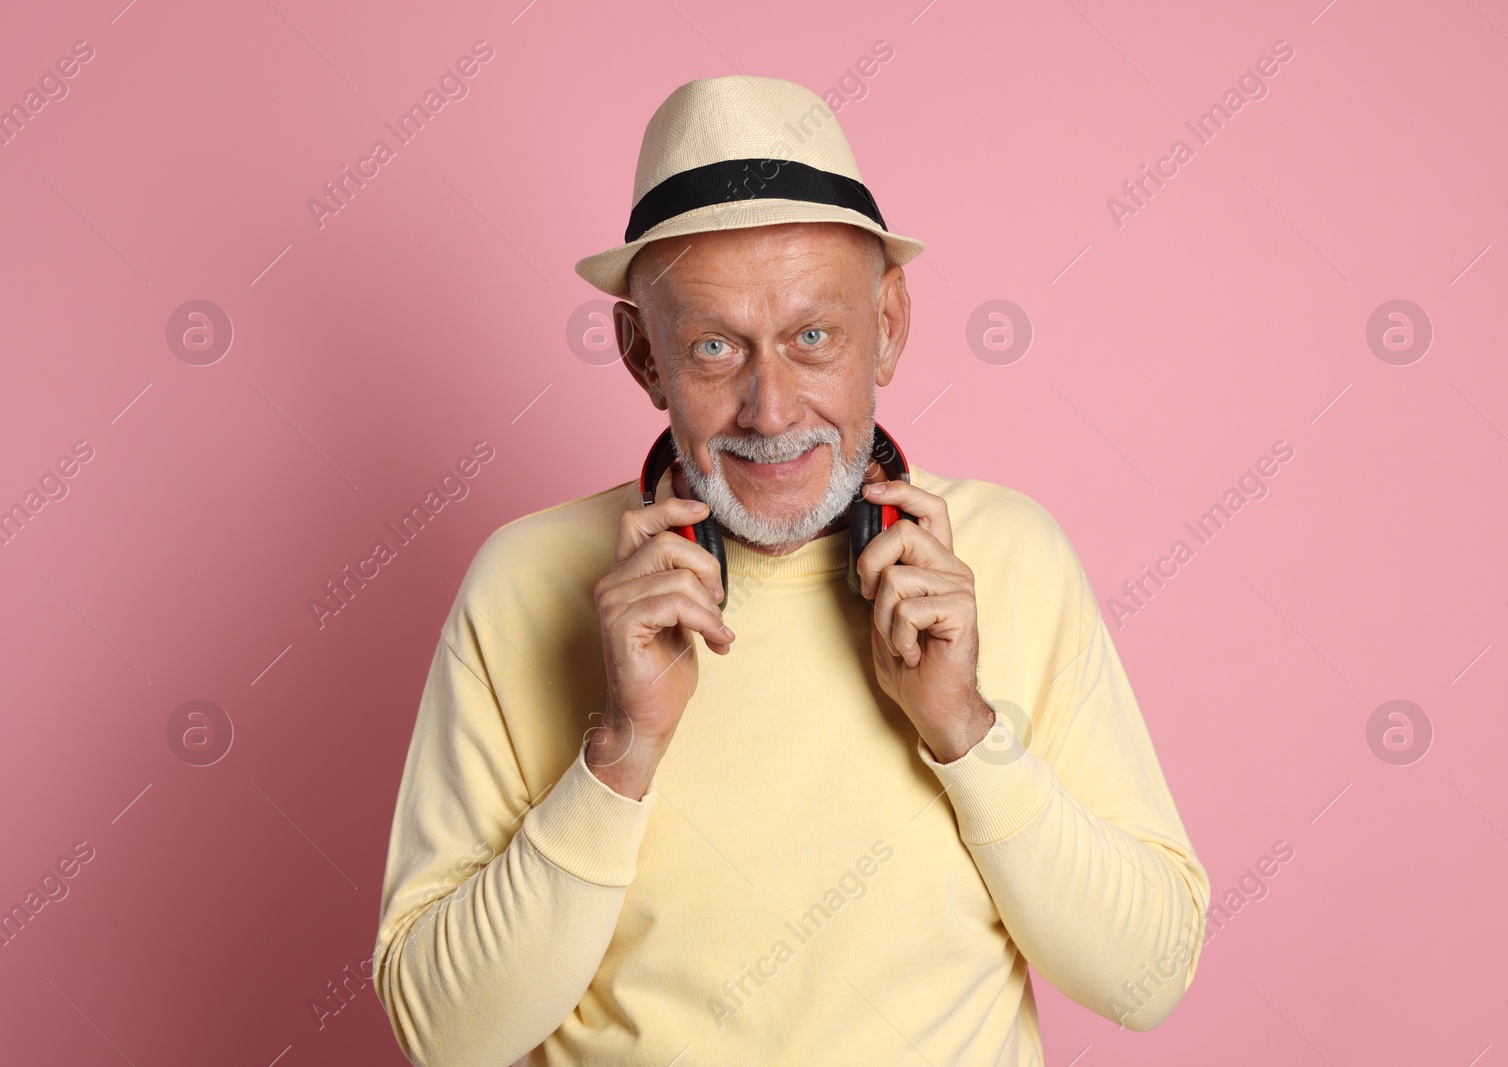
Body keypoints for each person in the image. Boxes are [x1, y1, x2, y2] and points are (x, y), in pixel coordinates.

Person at [372, 75, 1209, 1067]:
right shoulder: (524, 580)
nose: (770, 409)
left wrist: (965, 731)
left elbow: (1147, 976)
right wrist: (622, 749)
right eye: (715, 346)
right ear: (643, 354)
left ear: (889, 325)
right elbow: (443, 1038)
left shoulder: (1014, 555)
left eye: (814, 337)